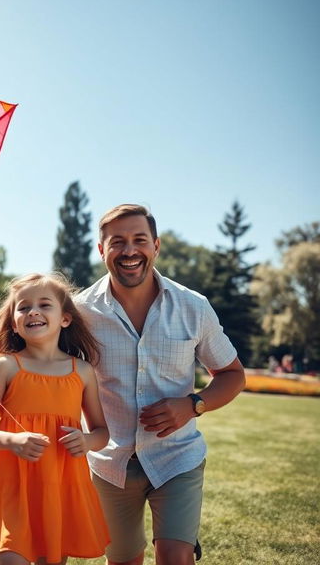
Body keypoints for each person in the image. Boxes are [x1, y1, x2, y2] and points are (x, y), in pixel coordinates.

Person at [76, 204, 246, 565]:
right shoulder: (80, 313)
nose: (129, 250)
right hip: (110, 462)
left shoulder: (193, 307)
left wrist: (193, 405)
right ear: (101, 250)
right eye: (117, 241)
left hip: (177, 458)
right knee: (122, 560)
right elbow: (57, 373)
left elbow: (233, 374)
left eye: (139, 240)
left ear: (156, 246)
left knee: (176, 557)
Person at [0, 272, 111, 565]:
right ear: (14, 323)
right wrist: (12, 440)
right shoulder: (7, 366)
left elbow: (101, 432)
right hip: (13, 485)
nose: (33, 311)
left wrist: (86, 440)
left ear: (65, 318)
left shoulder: (82, 371)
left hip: (59, 486)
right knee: (12, 557)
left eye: (45, 305)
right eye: (23, 307)